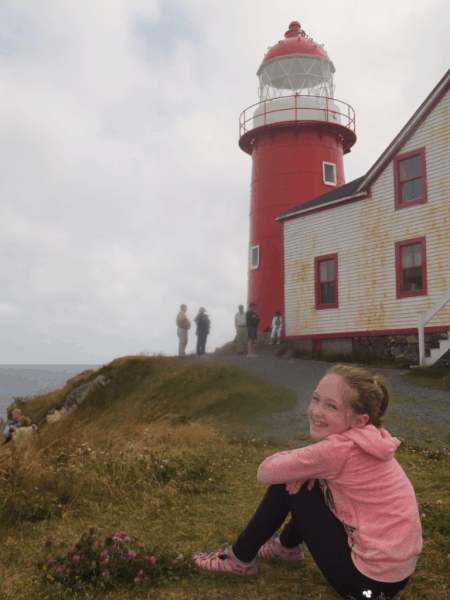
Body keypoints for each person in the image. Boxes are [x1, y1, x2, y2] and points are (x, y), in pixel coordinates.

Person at [193, 364, 422, 600]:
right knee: (303, 478)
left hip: (365, 584)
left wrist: (302, 469)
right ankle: (286, 547)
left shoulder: (336, 452)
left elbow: (265, 472)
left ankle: (238, 559)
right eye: (316, 399)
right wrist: (308, 470)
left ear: (359, 420)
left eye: (331, 405)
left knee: (287, 482)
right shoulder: (371, 436)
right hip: (395, 575)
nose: (317, 411)